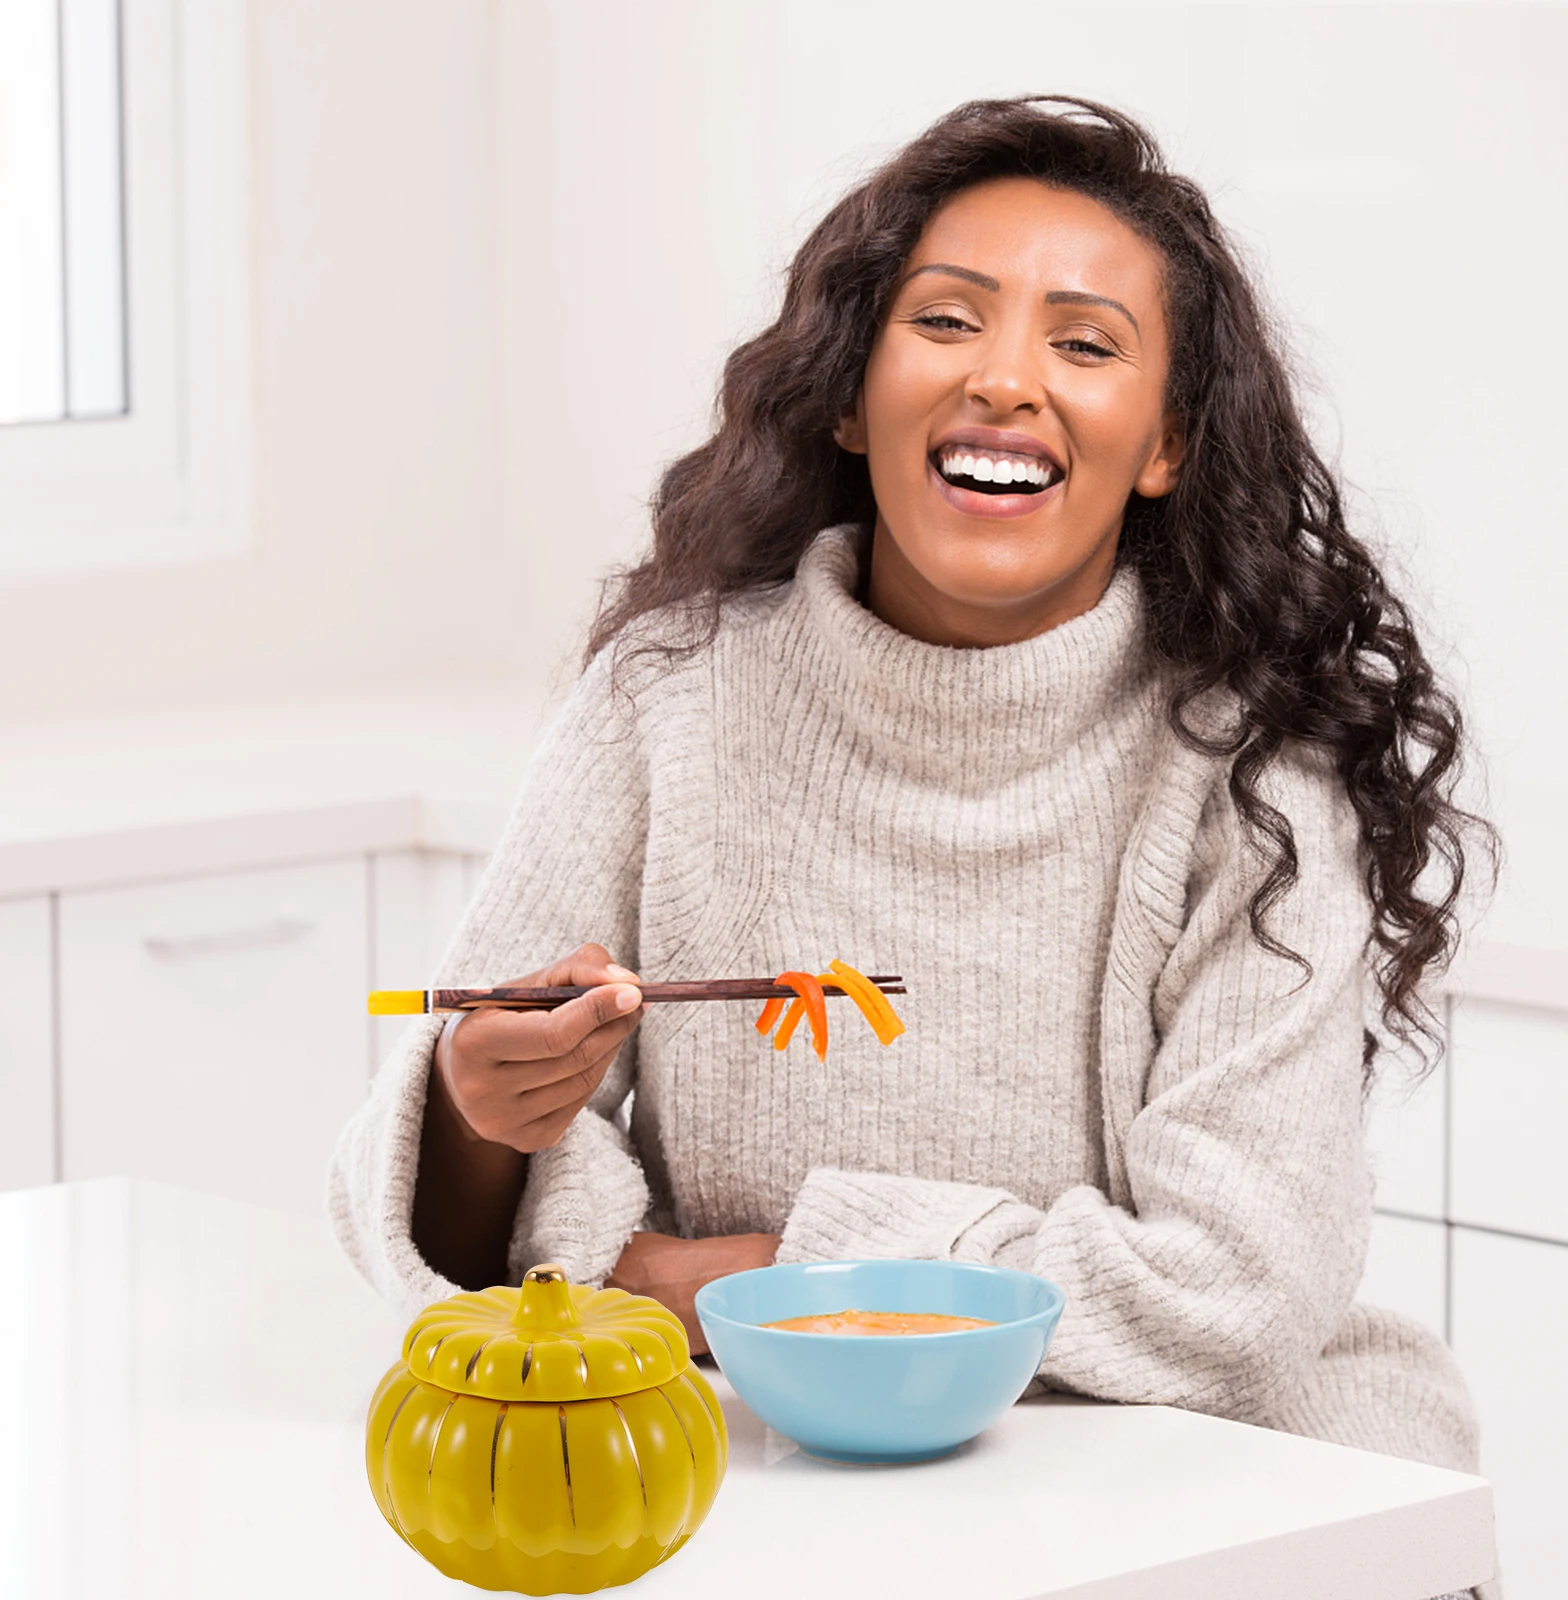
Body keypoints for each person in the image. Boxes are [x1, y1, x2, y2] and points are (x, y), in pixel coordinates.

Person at [330, 95, 1493, 1595]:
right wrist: (490, 1117)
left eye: (1085, 345)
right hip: (785, 1491)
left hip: (1229, 1487)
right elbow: (495, 1226)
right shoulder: (669, 694)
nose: (1008, 380)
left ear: (1163, 448)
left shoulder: (1257, 776)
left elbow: (1229, 1301)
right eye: (948, 322)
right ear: (846, 395)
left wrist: (760, 1279)